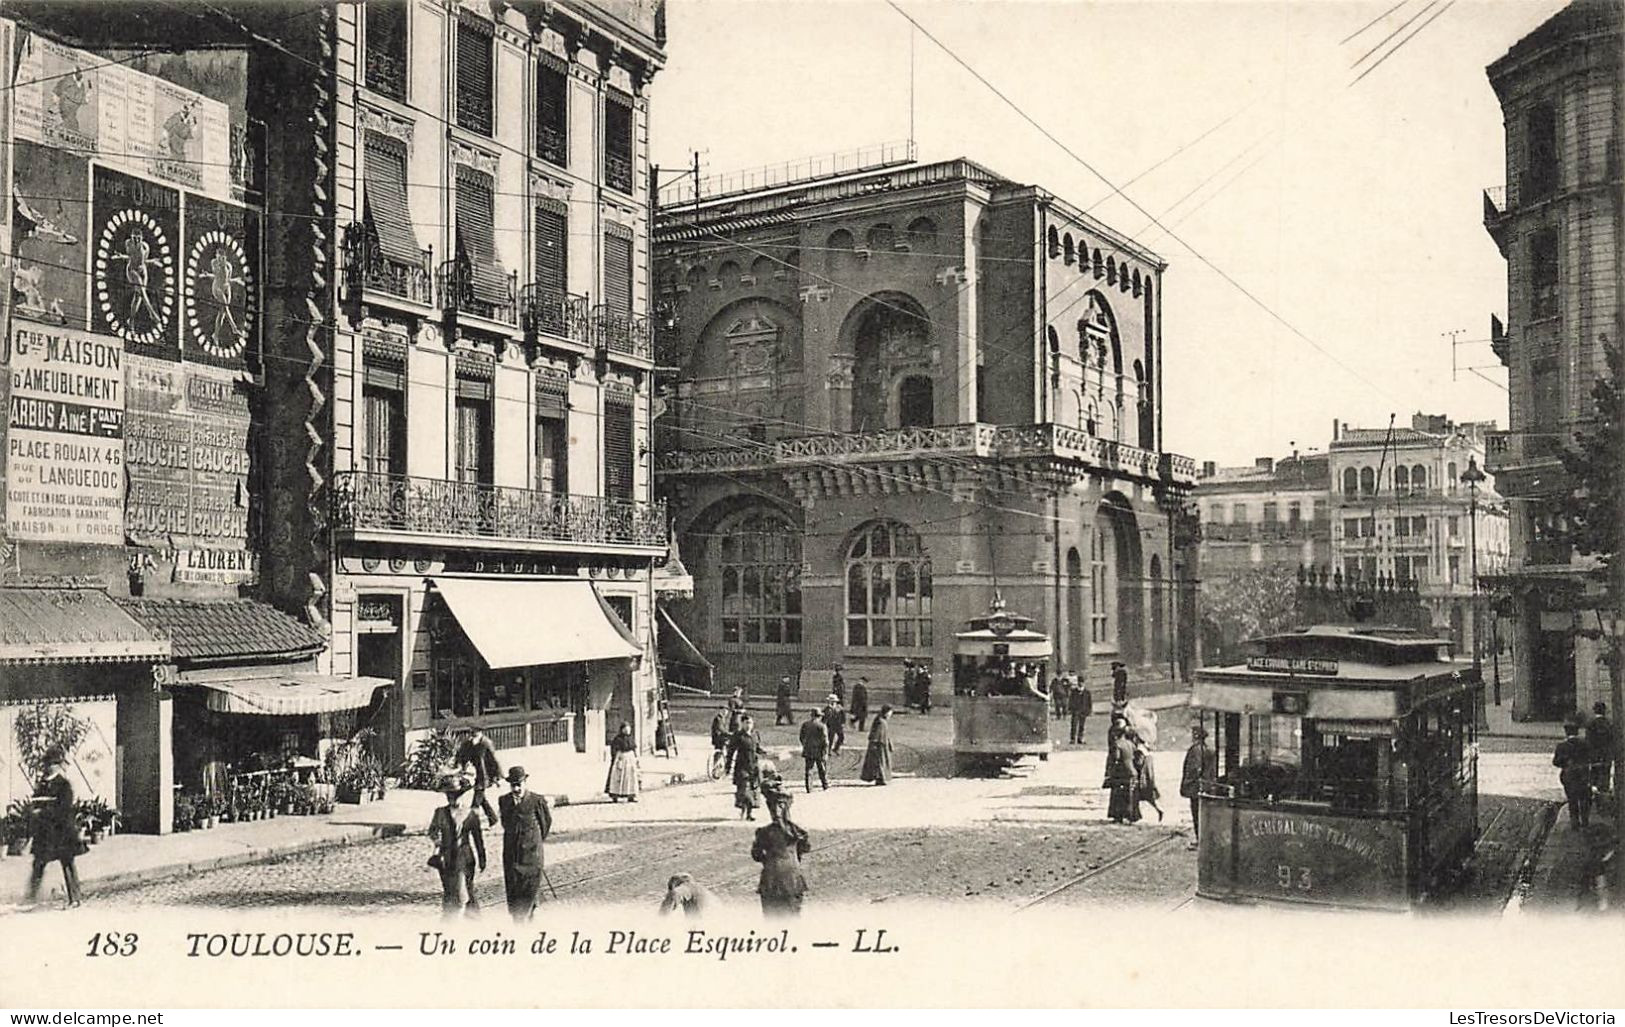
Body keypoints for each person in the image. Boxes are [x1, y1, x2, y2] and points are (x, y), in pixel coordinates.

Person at [23, 750, 83, 909]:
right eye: (47, 764)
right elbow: (35, 801)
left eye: (52, 764)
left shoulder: (64, 785)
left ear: (58, 766)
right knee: (39, 862)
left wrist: (44, 811)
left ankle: (74, 898)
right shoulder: (42, 784)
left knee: (67, 863)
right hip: (45, 832)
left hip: (62, 830)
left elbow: (64, 808)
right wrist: (35, 812)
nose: (49, 767)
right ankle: (31, 897)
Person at [498, 765, 552, 922]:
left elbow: (545, 823)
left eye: (519, 784)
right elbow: (505, 823)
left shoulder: (536, 801)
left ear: (525, 783)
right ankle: (520, 921)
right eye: (513, 785)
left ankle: (525, 921)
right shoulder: (504, 801)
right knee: (514, 890)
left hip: (532, 855)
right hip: (512, 854)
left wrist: (534, 841)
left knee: (530, 890)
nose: (516, 789)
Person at [428, 774, 486, 918]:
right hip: (446, 859)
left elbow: (478, 838)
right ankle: (472, 920)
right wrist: (437, 840)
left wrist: (482, 857)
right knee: (450, 890)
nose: (452, 799)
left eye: (455, 795)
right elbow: (433, 830)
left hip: (464, 858)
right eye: (449, 796)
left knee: (462, 892)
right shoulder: (440, 813)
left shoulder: (470, 814)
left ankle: (452, 922)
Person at [751, 787, 811, 917]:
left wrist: (769, 860)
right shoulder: (798, 832)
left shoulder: (763, 833)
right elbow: (805, 849)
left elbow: (756, 855)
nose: (776, 810)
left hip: (771, 881)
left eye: (779, 806)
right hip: (792, 880)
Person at [454, 727, 502, 827]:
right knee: (482, 799)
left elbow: (494, 760)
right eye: (472, 731)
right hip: (474, 775)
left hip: (484, 776)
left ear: (480, 732)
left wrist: (498, 776)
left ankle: (470, 824)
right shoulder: (469, 744)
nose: (473, 733)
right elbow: (462, 756)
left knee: (476, 803)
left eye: (475, 731)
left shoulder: (486, 743)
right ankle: (493, 819)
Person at [1180, 725, 1217, 848]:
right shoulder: (1207, 748)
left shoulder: (1196, 750)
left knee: (1197, 813)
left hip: (1196, 787)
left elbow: (1194, 768)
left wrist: (1188, 783)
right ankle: (1202, 839)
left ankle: (1200, 840)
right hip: (1206, 786)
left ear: (1196, 736)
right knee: (1202, 814)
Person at [1554, 722, 1592, 828]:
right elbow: (1591, 758)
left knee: (1572, 800)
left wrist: (1565, 763)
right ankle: (1585, 820)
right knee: (1584, 798)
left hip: (1569, 776)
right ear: (1577, 732)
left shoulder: (1562, 746)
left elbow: (1556, 762)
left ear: (1566, 733)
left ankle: (1574, 823)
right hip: (1583, 775)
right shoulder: (1585, 744)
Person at [1103, 719, 1140, 824]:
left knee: (1118, 795)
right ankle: (1131, 816)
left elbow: (1115, 759)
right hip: (1132, 771)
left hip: (1121, 772)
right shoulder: (1130, 744)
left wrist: (1109, 772)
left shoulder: (1117, 744)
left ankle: (1118, 816)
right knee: (1130, 794)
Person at [731, 714, 764, 820]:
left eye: (750, 723)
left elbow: (757, 748)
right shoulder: (738, 735)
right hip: (742, 766)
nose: (749, 725)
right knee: (744, 789)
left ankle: (749, 813)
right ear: (742, 724)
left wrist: (766, 752)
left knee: (753, 790)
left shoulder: (755, 734)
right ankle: (743, 809)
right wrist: (727, 767)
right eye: (746, 723)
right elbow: (731, 751)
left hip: (753, 766)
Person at [605, 722, 640, 802]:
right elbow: (613, 749)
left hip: (630, 759)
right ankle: (615, 795)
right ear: (622, 730)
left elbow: (634, 749)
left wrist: (636, 758)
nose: (627, 730)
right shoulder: (618, 739)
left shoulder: (631, 738)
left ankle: (631, 795)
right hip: (621, 758)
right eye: (625, 729)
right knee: (618, 777)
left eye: (628, 728)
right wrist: (615, 758)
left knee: (631, 777)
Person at [1133, 731, 1163, 822]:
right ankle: (1159, 809)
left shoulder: (1139, 750)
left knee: (1136, 795)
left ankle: (1135, 815)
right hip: (1147, 775)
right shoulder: (1147, 751)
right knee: (1149, 796)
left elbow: (1139, 763)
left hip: (1141, 776)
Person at [860, 705, 894, 785]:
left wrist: (889, 743)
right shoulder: (880, 721)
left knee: (881, 762)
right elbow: (876, 734)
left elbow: (886, 734)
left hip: (882, 745)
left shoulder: (882, 720)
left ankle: (880, 778)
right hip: (878, 745)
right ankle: (881, 779)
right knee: (879, 762)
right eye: (889, 713)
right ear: (886, 712)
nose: (890, 715)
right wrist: (874, 744)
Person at [799, 709, 830, 793]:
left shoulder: (805, 724)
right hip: (819, 750)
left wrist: (805, 745)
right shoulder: (822, 726)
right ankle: (825, 785)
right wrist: (826, 752)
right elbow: (825, 740)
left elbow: (801, 737)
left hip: (808, 750)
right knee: (822, 768)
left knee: (809, 769)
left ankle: (809, 787)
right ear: (819, 716)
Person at [1586, 701, 1613, 795]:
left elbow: (1588, 741)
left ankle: (1595, 793)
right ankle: (1604, 792)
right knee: (1605, 773)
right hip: (1606, 754)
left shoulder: (1591, 724)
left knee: (1594, 773)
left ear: (1594, 711)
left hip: (1595, 754)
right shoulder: (1609, 724)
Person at [1069, 680, 1094, 745]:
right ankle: (1072, 739)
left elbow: (1089, 702)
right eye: (1080, 682)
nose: (1081, 684)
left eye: (1082, 682)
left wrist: (1089, 710)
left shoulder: (1087, 692)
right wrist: (1071, 709)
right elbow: (1071, 700)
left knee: (1082, 726)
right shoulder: (1074, 691)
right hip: (1076, 711)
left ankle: (1080, 738)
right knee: (1074, 725)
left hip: (1083, 711)